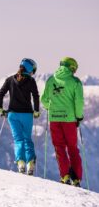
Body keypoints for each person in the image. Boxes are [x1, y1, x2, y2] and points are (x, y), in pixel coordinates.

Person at [40, 57, 84, 187]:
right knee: (72, 148)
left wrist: (50, 107)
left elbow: (43, 100)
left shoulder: (50, 80)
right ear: (71, 67)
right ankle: (76, 178)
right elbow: (79, 102)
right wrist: (78, 117)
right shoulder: (75, 82)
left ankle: (64, 176)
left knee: (59, 147)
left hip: (54, 119)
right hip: (69, 120)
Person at [0, 58, 40, 175]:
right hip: (27, 115)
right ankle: (30, 163)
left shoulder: (10, 80)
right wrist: (36, 110)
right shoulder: (31, 81)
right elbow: (36, 96)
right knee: (27, 139)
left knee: (18, 140)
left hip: (13, 115)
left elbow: (0, 94)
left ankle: (20, 163)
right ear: (30, 69)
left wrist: (0, 109)